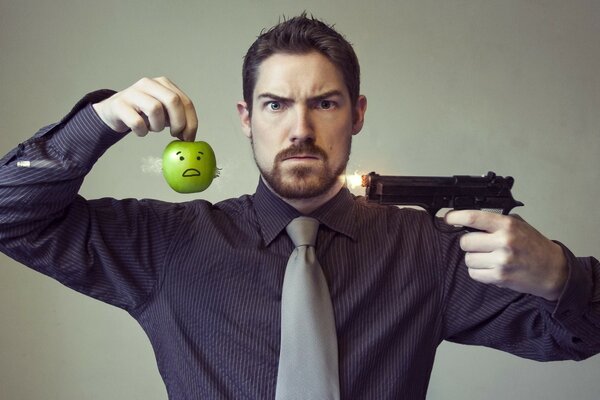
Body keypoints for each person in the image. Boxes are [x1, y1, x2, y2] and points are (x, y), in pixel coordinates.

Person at [0, 14, 599, 400]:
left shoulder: (427, 253)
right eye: (276, 105)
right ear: (246, 118)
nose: (301, 130)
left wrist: (561, 276)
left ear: (357, 113)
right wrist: (96, 121)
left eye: (326, 104)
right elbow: (10, 215)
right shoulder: (167, 246)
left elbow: (578, 337)